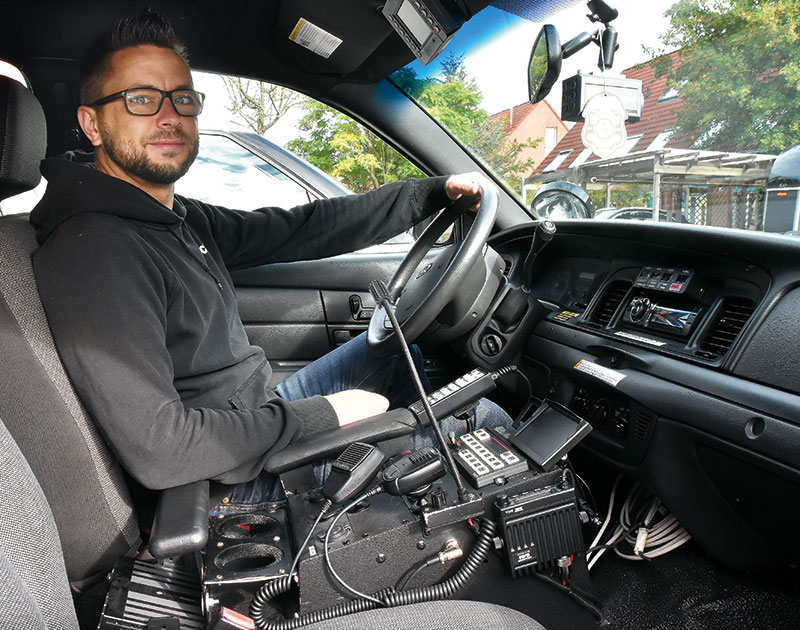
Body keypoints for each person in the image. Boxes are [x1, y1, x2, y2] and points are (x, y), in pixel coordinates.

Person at [30, 10, 511, 508]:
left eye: (183, 98)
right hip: (226, 485)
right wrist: (325, 415)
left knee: (396, 357)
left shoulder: (172, 218)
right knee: (487, 425)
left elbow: (299, 229)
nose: (169, 115)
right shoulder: (95, 249)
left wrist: (424, 196)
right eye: (141, 99)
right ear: (92, 124)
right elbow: (163, 449)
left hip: (255, 417)